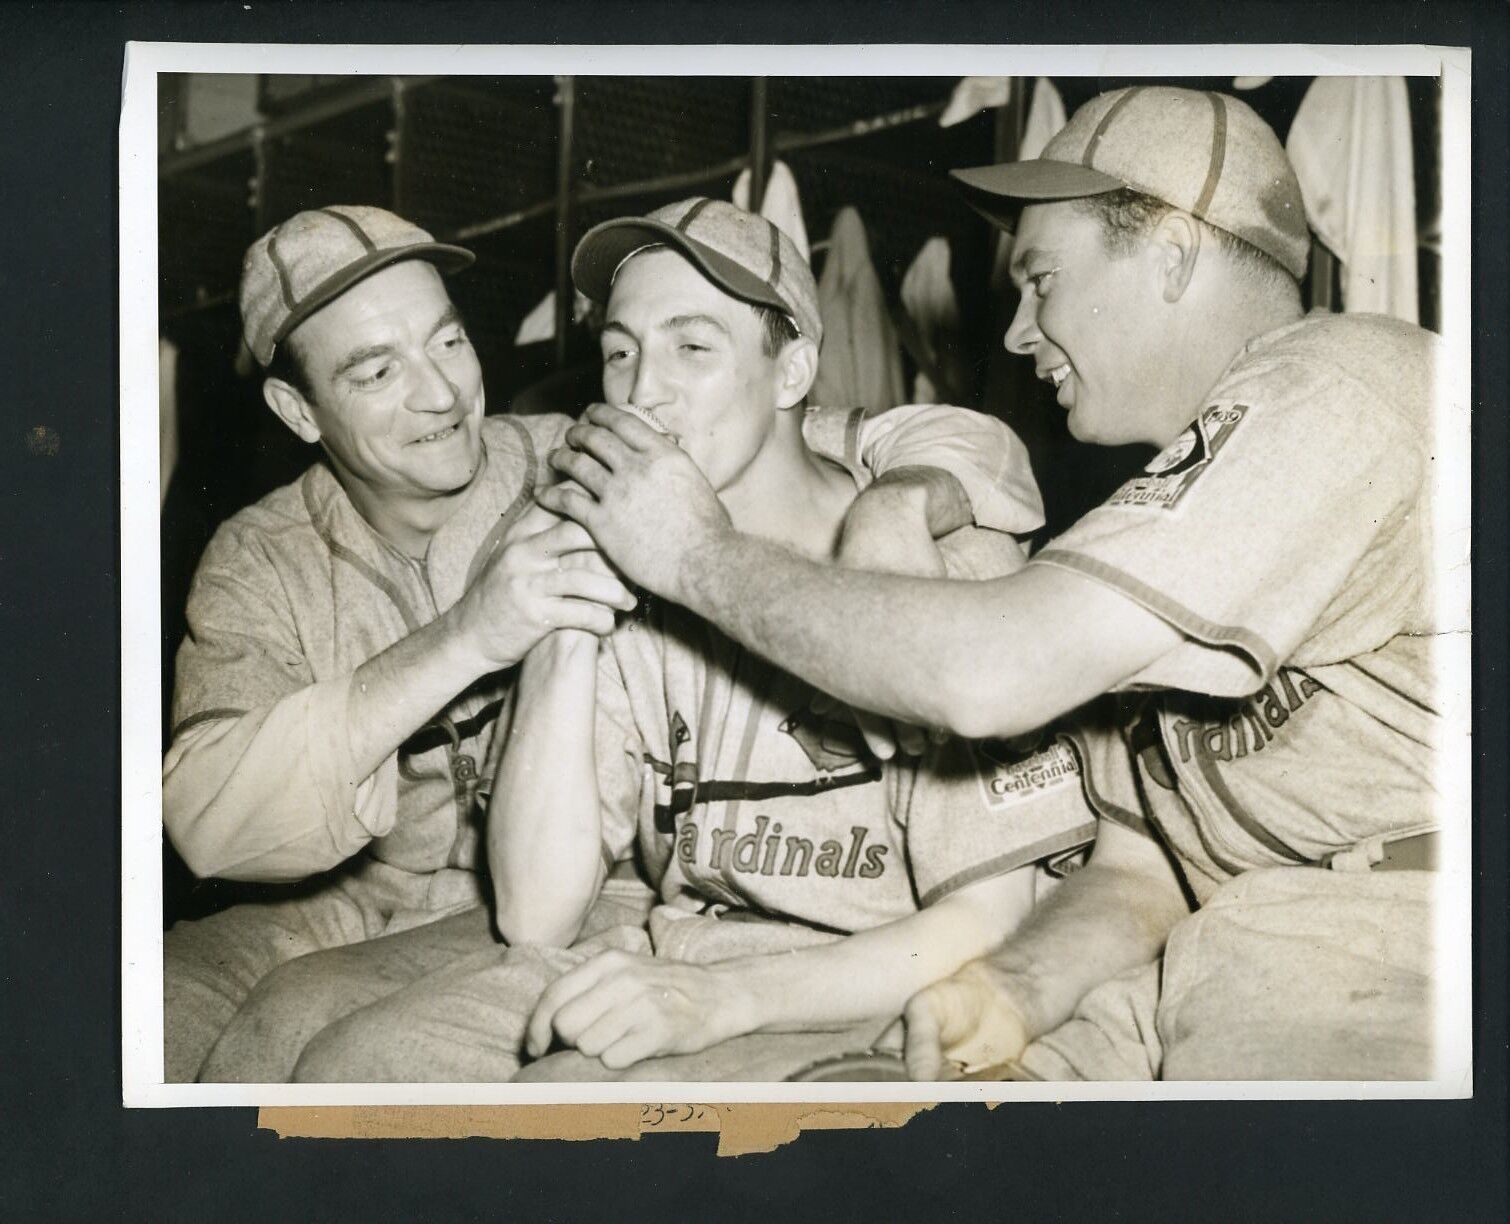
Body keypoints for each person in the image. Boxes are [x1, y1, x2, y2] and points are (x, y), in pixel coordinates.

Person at [540, 88, 1443, 1081]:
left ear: (1173, 254)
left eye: (1042, 280)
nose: (1017, 332)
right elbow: (1142, 866)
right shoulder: (1151, 501)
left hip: (1409, 938)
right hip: (1229, 945)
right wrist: (1014, 986)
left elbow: (988, 674)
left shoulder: (1338, 383)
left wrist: (693, 557)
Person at [165, 204, 1056, 1083]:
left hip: (752, 947)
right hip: (409, 901)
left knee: (412, 1061)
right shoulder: (266, 557)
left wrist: (898, 500)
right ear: (298, 409)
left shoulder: (619, 478)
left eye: (447, 343)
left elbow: (838, 438)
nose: (437, 394)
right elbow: (210, 817)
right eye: (619, 353)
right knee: (237, 1033)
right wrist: (513, 627)